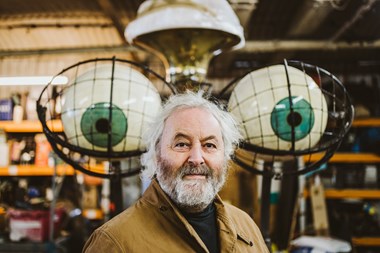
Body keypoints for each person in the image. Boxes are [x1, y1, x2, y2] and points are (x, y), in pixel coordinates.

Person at [82, 91, 269, 253]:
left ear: (225, 156)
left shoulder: (245, 225)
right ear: (156, 155)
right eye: (181, 144)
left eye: (209, 145)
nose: (196, 158)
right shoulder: (114, 242)